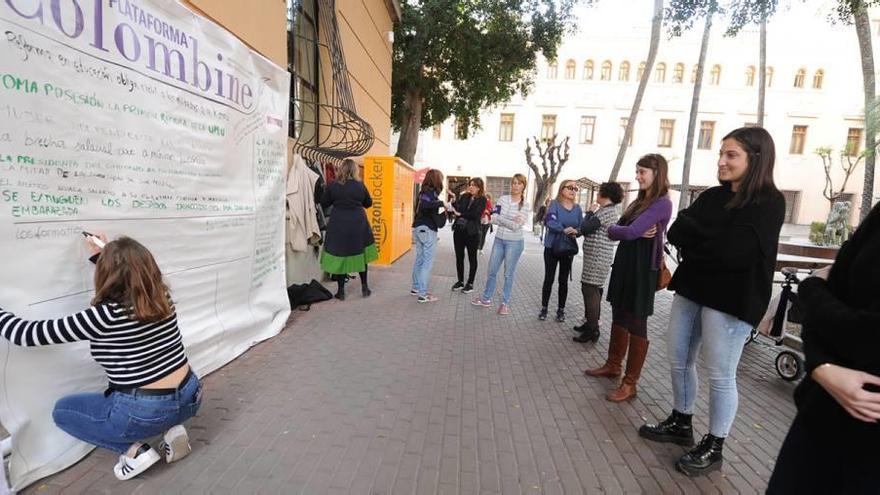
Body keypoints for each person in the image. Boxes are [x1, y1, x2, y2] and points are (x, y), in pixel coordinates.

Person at [637, 127, 786, 477]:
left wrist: (702, 242)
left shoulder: (770, 202)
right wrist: (713, 240)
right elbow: (676, 232)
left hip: (732, 300)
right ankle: (681, 420)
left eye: (731, 155)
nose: (721, 161)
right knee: (678, 357)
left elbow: (736, 253)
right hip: (693, 289)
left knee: (720, 373)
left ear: (756, 158)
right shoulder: (712, 196)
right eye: (721, 153)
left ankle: (715, 443)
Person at [0, 235, 202, 480]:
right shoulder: (161, 298)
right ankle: (173, 429)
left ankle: (135, 452)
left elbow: (25, 334)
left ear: (108, 275)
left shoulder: (104, 316)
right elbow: (132, 275)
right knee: (158, 401)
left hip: (147, 409)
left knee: (63, 411)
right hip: (191, 394)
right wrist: (104, 256)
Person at [766, 201, 880, 493]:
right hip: (820, 418)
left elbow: (868, 334)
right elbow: (833, 292)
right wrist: (820, 366)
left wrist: (811, 291)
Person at [585, 154, 672, 402]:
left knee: (637, 322)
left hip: (643, 269)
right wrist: (623, 231)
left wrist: (625, 231)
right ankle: (613, 365)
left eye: (642, 172)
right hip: (625, 264)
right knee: (620, 313)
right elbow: (614, 231)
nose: (638, 176)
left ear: (657, 174)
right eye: (637, 171)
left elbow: (630, 231)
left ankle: (630, 383)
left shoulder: (662, 203)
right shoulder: (639, 202)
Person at [471, 174, 531, 315]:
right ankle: (486, 298)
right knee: (491, 271)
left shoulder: (525, 204)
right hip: (499, 240)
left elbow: (516, 226)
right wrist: (506, 220)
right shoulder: (503, 199)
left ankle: (504, 303)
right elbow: (494, 217)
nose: (515, 186)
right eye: (513, 183)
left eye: (518, 183)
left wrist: (501, 219)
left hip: (515, 243)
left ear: (523, 186)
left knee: (508, 274)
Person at [573, 182, 624, 343]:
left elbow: (586, 227)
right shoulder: (606, 211)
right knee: (591, 290)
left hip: (597, 258)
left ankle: (592, 329)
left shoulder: (606, 212)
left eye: (599, 193)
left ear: (605, 195)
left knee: (590, 290)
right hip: (595, 258)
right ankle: (590, 324)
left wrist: (589, 212)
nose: (596, 196)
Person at [320, 159, 378, 300]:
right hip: (358, 224)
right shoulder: (360, 185)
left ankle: (341, 291)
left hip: (339, 224)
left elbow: (324, 202)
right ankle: (364, 287)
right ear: (355, 170)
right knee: (361, 253)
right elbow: (369, 203)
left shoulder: (333, 185)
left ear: (341, 170)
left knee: (341, 256)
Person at [539, 180, 584, 322]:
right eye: (570, 187)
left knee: (563, 280)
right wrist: (563, 229)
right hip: (552, 247)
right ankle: (544, 308)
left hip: (568, 249)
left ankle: (561, 310)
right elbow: (550, 222)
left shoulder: (577, 209)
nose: (573, 190)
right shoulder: (554, 204)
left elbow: (581, 227)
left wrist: (576, 231)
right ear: (561, 189)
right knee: (549, 279)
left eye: (576, 188)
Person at [411, 169, 448, 303]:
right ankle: (423, 293)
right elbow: (427, 206)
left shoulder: (423, 192)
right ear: (436, 179)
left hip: (418, 228)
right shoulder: (428, 193)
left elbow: (426, 208)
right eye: (441, 179)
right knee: (427, 262)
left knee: (420, 259)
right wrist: (442, 203)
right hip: (427, 230)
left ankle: (416, 287)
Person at [451, 178, 488, 294]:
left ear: (479, 188)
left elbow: (475, 215)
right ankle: (460, 281)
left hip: (472, 233)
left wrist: (461, 214)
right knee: (459, 257)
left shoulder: (482, 199)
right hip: (459, 230)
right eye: (470, 185)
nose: (471, 187)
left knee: (472, 258)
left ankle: (470, 283)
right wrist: (453, 201)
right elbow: (458, 208)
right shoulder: (464, 196)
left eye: (474, 185)